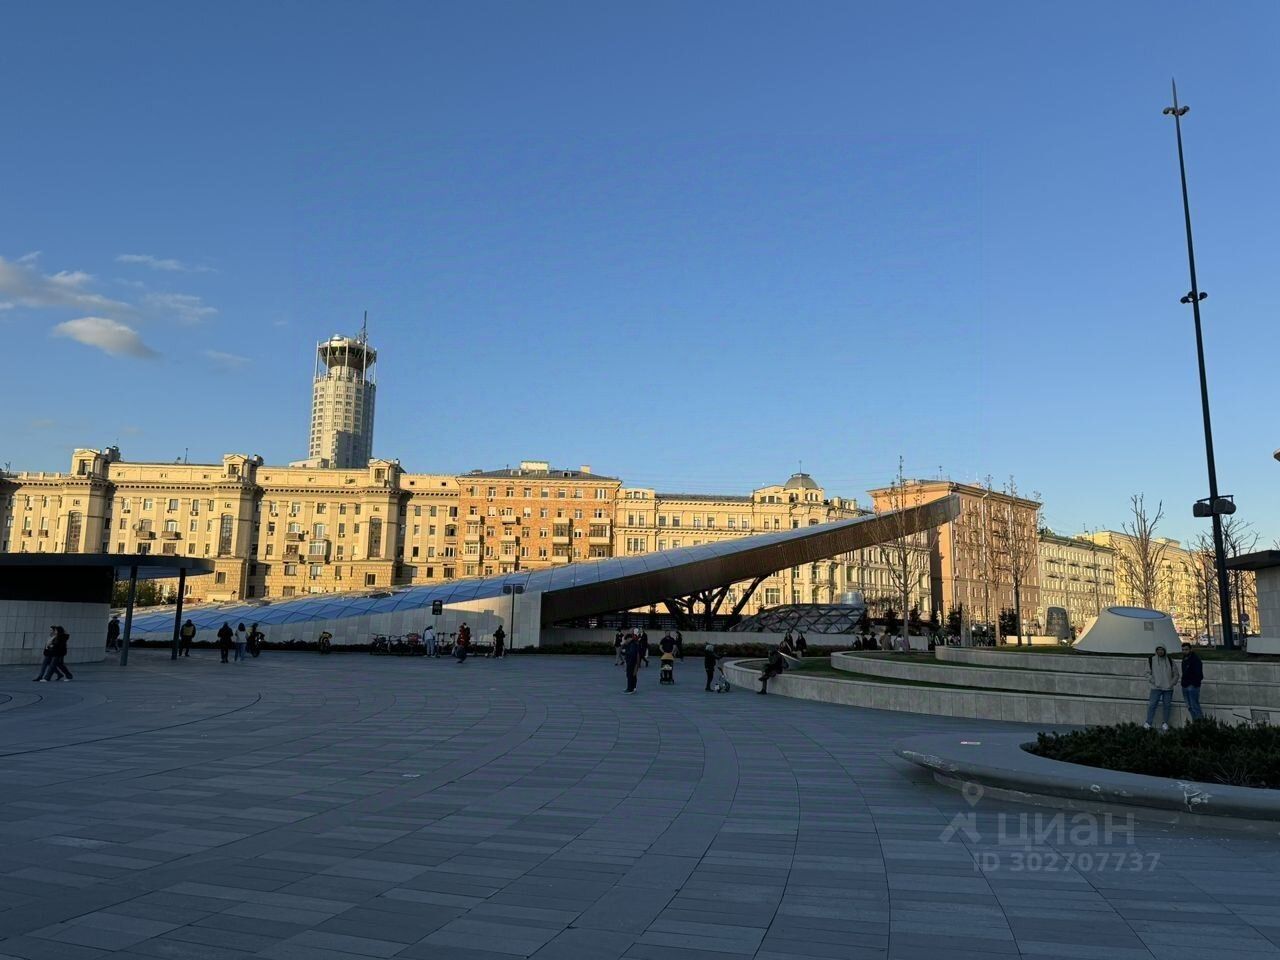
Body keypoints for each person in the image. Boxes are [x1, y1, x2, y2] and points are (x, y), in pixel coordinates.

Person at [1144, 644, 1180, 731]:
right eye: (1158, 649)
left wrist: (1172, 683)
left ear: (1165, 650)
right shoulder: (1151, 660)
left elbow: (1176, 674)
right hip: (1156, 688)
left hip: (1168, 688)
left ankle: (1165, 723)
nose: (1160, 651)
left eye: (1162, 649)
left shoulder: (1170, 660)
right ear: (1156, 651)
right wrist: (1154, 681)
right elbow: (1147, 673)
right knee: (1152, 705)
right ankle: (1148, 722)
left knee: (1167, 706)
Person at [1180, 642, 1205, 721]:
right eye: (1183, 650)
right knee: (1189, 706)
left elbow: (1199, 674)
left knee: (1194, 706)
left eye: (1186, 649)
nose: (1184, 651)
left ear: (1190, 649)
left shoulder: (1195, 660)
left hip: (1192, 686)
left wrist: (1193, 684)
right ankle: (1195, 722)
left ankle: (1200, 724)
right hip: (1185, 685)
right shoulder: (1184, 658)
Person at [623, 628, 642, 694]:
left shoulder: (633, 643)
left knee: (630, 675)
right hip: (630, 661)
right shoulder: (631, 643)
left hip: (632, 661)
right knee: (631, 675)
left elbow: (633, 653)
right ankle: (632, 687)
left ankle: (630, 688)